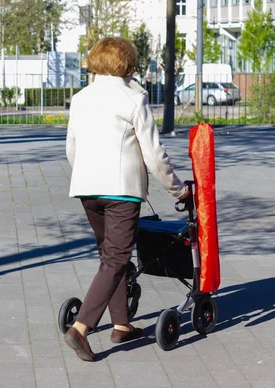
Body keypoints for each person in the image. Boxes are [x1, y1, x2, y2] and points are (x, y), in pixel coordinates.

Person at [64, 37, 189, 362]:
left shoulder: (80, 99)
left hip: (86, 189)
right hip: (120, 191)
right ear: (128, 64)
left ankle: (122, 324)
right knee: (117, 259)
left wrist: (86, 176)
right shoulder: (134, 99)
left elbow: (71, 149)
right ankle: (80, 328)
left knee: (111, 256)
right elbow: (154, 155)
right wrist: (178, 189)